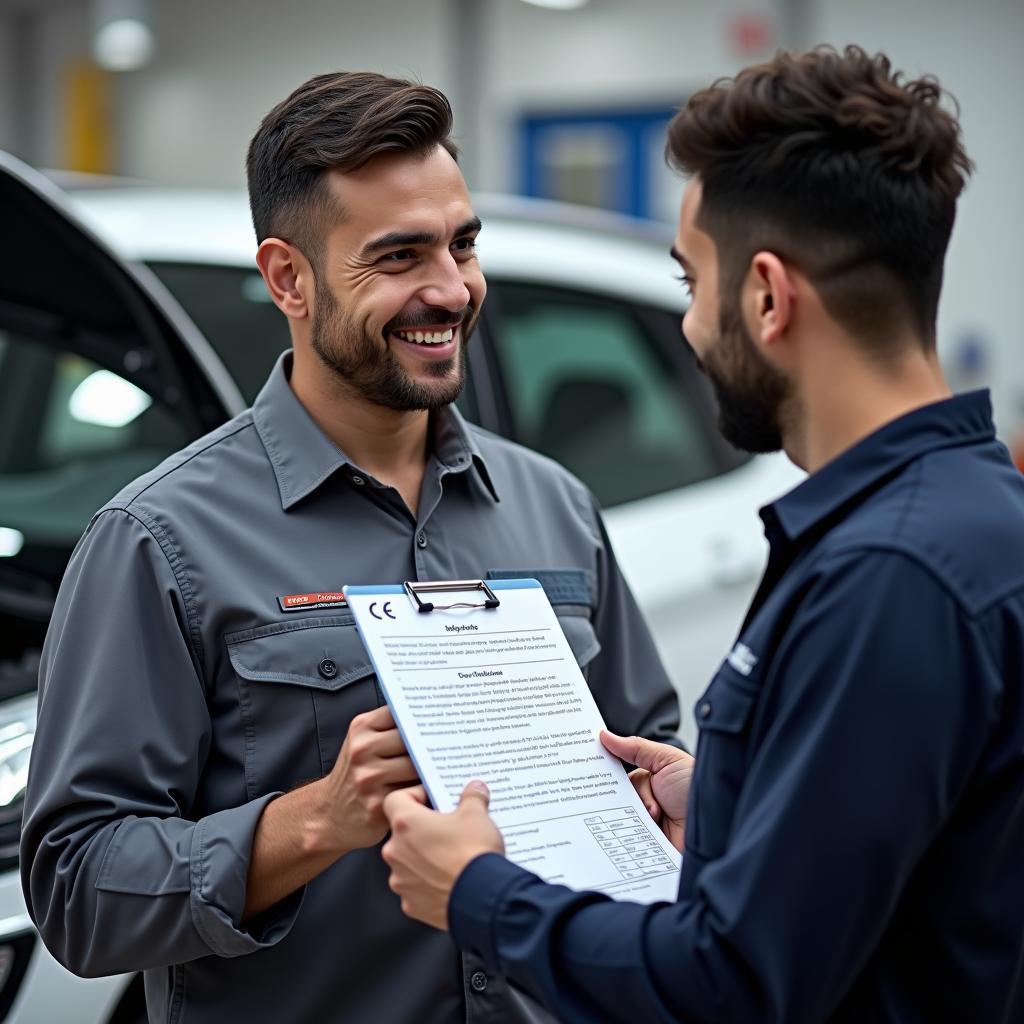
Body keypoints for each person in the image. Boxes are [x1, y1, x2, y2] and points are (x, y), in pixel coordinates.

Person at [20, 72, 681, 1023]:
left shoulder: (555, 507)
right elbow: (77, 893)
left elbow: (653, 767)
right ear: (288, 277)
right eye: (400, 256)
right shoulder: (160, 543)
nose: (450, 289)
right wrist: (310, 824)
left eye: (462, 244)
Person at [381, 45, 1024, 1023]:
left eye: (690, 283)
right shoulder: (972, 520)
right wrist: (730, 802)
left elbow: (730, 985)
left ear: (766, 296)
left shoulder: (890, 575)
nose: (686, 329)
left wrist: (478, 893)